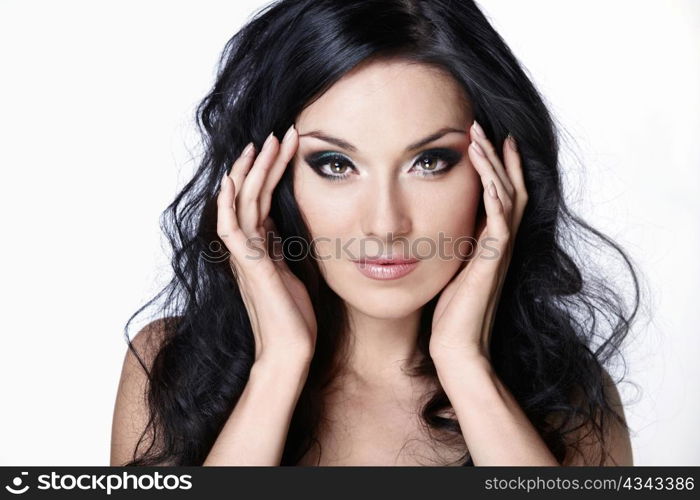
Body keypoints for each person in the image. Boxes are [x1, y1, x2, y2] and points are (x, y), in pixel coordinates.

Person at [111, 0, 640, 466]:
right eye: (336, 164)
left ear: (498, 173)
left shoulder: (570, 401)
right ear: (266, 180)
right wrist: (277, 367)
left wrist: (465, 363)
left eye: (430, 161)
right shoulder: (173, 370)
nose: (386, 225)